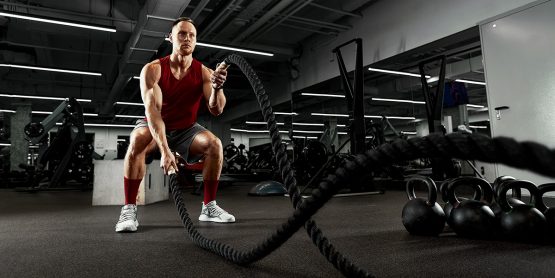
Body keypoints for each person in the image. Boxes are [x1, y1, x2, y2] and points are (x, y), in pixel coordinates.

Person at [115, 17, 235, 232]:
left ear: (196, 41)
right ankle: (129, 209)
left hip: (187, 129)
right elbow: (153, 112)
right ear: (170, 38)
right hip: (154, 125)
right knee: (138, 140)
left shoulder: (205, 72)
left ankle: (208, 207)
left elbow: (216, 110)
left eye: (191, 35)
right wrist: (165, 150)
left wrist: (217, 89)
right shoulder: (153, 69)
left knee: (214, 145)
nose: (187, 38)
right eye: (181, 34)